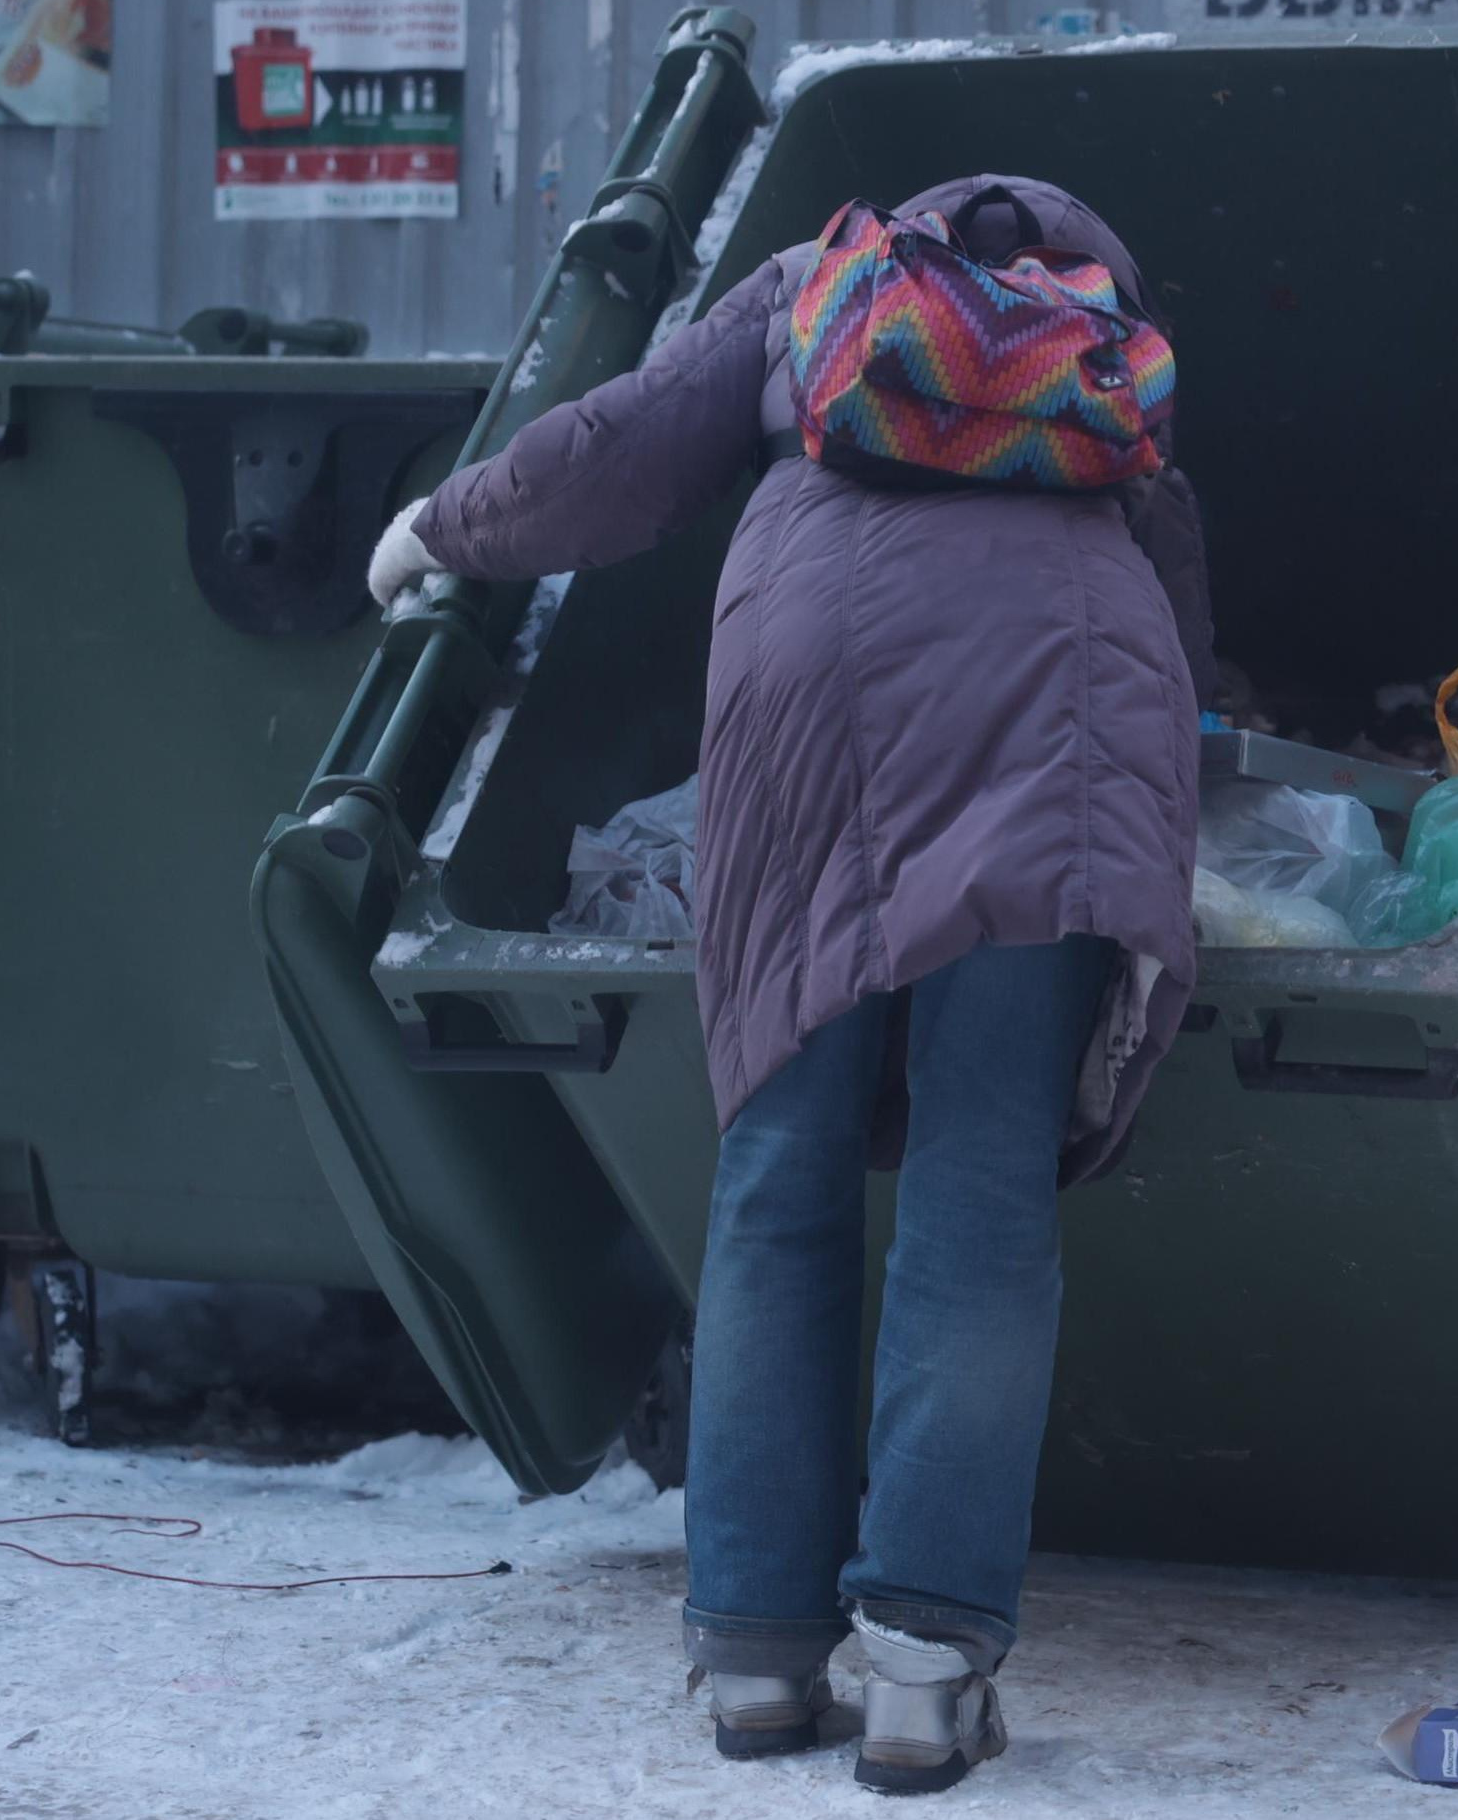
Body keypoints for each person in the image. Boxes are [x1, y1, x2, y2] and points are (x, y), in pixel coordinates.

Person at [365, 175, 1208, 1794]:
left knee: (778, 1174)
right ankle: (923, 1674)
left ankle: (754, 1658)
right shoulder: (1101, 332)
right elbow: (1167, 563)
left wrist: (439, 529)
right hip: (1060, 708)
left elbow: (615, 455)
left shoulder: (817, 281)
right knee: (981, 1189)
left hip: (811, 686)